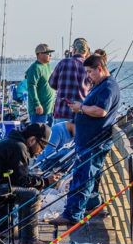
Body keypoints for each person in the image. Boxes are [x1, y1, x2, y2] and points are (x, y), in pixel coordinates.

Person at [49, 54, 121, 226]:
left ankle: (72, 214)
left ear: (100, 69)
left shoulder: (108, 87)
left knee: (82, 178)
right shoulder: (100, 85)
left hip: (93, 141)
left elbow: (100, 111)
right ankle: (92, 205)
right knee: (91, 176)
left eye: (90, 71)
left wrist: (80, 108)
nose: (88, 75)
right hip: (88, 140)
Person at [49, 37, 91, 123]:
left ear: (74, 50)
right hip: (81, 114)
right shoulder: (89, 67)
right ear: (86, 52)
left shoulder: (63, 63)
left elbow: (52, 83)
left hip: (62, 112)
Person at [24, 43, 55, 125]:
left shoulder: (47, 66)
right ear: (39, 54)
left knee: (49, 136)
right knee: (39, 136)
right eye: (48, 53)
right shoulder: (35, 68)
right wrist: (37, 104)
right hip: (39, 111)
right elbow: (31, 86)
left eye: (50, 53)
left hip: (49, 109)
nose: (50, 55)